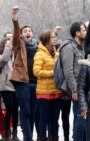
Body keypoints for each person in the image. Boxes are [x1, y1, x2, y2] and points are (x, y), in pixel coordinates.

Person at [59, 5, 90, 141]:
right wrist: (74, 90)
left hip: (83, 88)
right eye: (83, 30)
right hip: (76, 90)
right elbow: (68, 71)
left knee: (82, 117)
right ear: (77, 33)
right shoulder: (68, 47)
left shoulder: (81, 47)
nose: (86, 32)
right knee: (80, 118)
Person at [11, 6, 39, 141]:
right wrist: (15, 19)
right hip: (23, 82)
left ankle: (29, 135)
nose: (28, 33)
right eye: (25, 31)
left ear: (32, 34)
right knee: (25, 110)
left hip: (36, 82)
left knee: (33, 111)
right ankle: (28, 137)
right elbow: (16, 33)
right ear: (22, 34)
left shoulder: (38, 46)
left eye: (30, 31)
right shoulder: (18, 44)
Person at [33, 30, 61, 141]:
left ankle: (54, 138)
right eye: (52, 37)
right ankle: (42, 138)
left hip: (56, 91)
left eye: (55, 37)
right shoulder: (39, 54)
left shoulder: (56, 53)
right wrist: (52, 73)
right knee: (44, 119)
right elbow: (36, 72)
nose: (55, 39)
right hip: (44, 92)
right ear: (46, 40)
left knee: (55, 119)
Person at [0, 37, 20, 141]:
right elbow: (4, 59)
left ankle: (15, 134)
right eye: (8, 44)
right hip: (5, 86)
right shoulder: (2, 57)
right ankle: (7, 134)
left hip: (14, 86)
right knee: (10, 108)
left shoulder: (14, 56)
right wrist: (8, 45)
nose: (11, 45)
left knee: (16, 110)